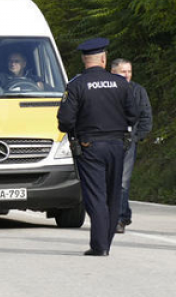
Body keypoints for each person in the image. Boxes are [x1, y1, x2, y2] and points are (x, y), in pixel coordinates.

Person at [57, 38, 138, 256]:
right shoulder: (121, 83)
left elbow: (64, 120)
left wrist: (76, 132)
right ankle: (105, 242)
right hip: (117, 145)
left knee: (95, 196)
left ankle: (100, 245)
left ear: (84, 59)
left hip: (90, 145)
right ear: (104, 58)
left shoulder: (76, 84)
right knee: (113, 195)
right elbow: (133, 114)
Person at [110, 58, 152, 234]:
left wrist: (135, 138)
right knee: (108, 181)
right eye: (123, 72)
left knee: (122, 183)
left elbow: (146, 117)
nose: (127, 75)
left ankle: (119, 219)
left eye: (129, 71)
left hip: (127, 143)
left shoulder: (137, 91)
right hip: (108, 141)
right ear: (112, 73)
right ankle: (121, 214)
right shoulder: (106, 90)